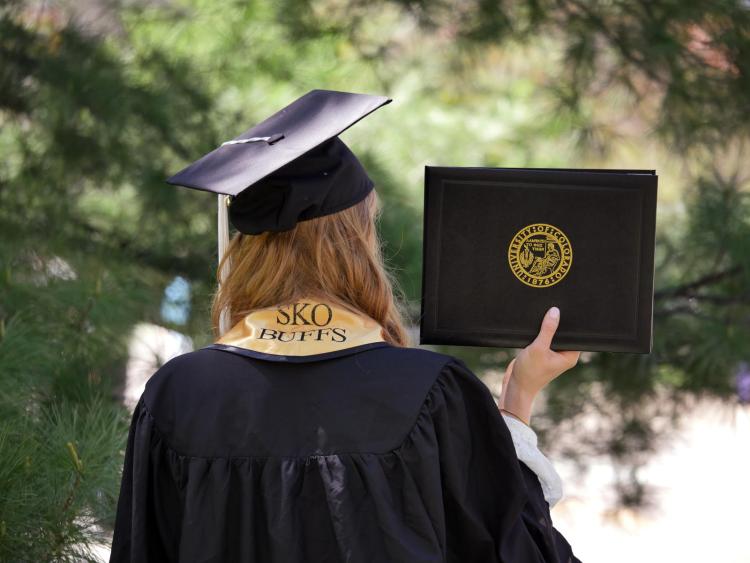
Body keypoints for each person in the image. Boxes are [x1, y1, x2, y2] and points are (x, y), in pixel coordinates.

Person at [109, 90, 582, 562]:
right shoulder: (428, 394)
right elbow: (518, 551)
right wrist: (516, 401)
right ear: (357, 240)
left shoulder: (176, 395)